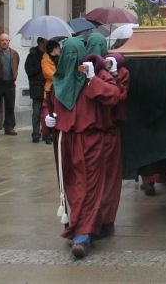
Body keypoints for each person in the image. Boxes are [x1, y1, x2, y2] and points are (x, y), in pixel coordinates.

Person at [44, 37, 120, 259]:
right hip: (65, 141)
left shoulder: (96, 75)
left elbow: (114, 96)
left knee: (89, 187)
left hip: (91, 139)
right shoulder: (59, 80)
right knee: (73, 187)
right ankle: (78, 224)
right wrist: (47, 119)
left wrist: (93, 78)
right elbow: (48, 105)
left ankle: (83, 234)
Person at [85, 33, 130, 236]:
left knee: (110, 179)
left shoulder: (119, 70)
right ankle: (92, 219)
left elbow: (118, 96)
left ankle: (107, 219)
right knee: (91, 180)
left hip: (111, 130)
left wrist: (113, 75)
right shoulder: (84, 70)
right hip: (90, 133)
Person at [0, 33, 20, 136]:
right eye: (2, 40)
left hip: (10, 83)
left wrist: (14, 76)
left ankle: (9, 127)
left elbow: (16, 65)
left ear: (9, 41)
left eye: (6, 40)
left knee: (10, 107)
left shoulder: (14, 53)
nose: (4, 42)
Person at [25, 37, 46, 143]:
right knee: (37, 111)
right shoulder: (32, 55)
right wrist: (40, 64)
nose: (45, 44)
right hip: (36, 87)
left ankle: (46, 133)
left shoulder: (48, 54)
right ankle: (36, 133)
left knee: (46, 112)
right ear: (39, 43)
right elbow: (29, 71)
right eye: (44, 42)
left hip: (47, 87)